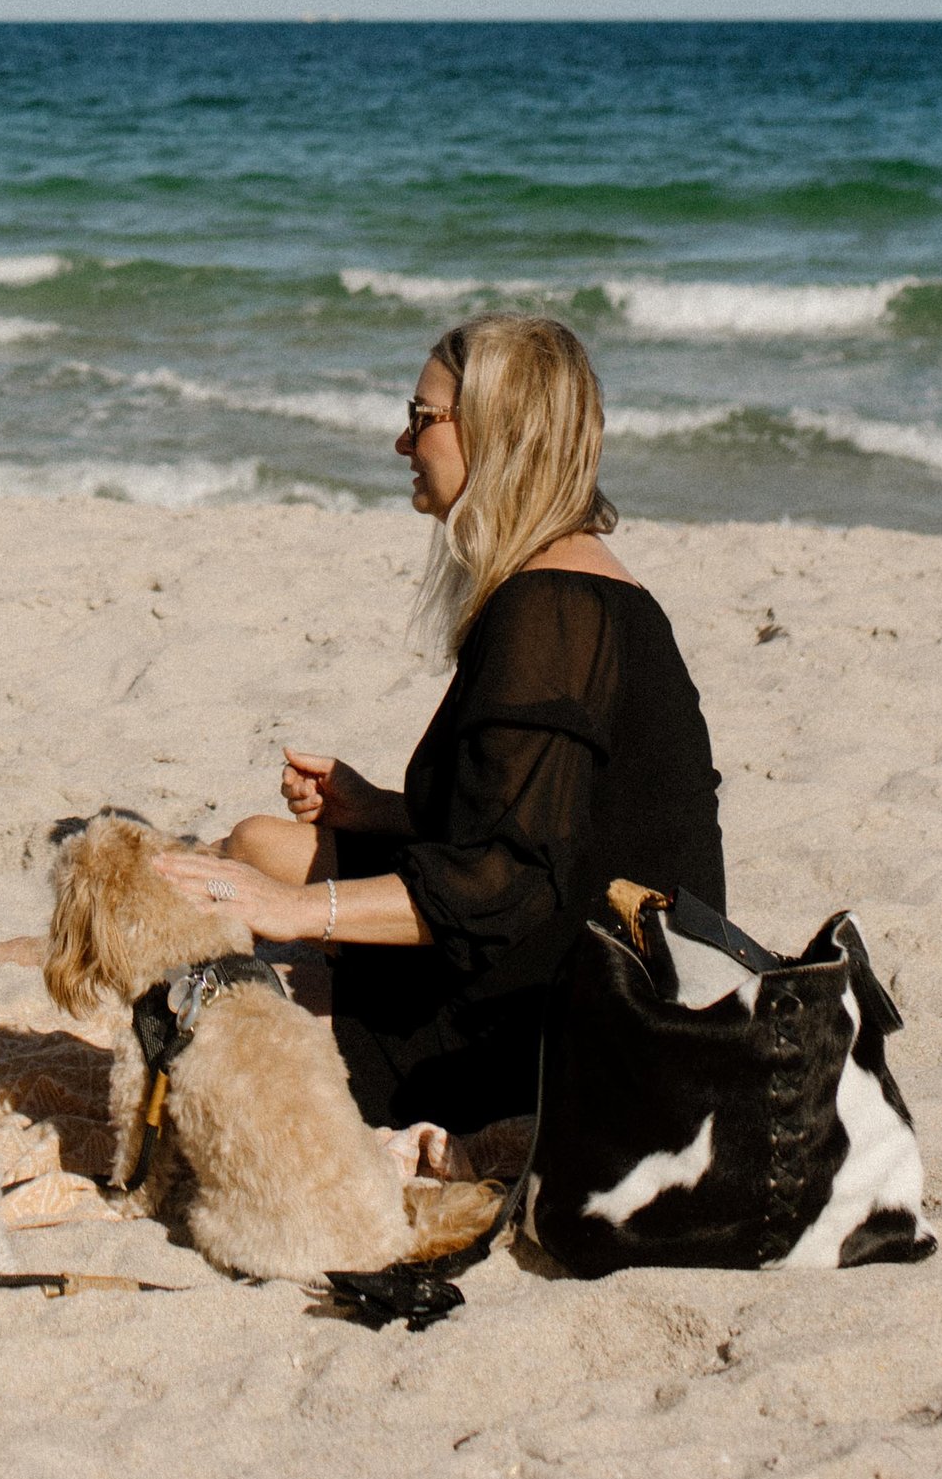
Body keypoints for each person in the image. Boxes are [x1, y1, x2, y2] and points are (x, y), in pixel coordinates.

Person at [156, 312, 725, 1138]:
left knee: (221, 978)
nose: (402, 442)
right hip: (571, 951)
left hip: (556, 1019)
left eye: (423, 419)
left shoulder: (554, 611)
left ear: (498, 432)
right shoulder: (564, 579)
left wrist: (292, 914)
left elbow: (505, 885)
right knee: (255, 842)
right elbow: (551, 821)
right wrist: (380, 809)